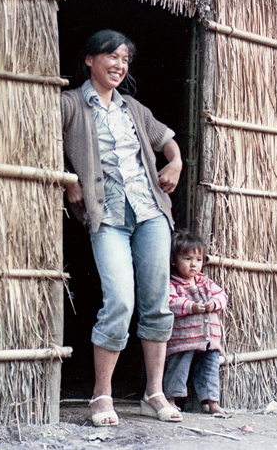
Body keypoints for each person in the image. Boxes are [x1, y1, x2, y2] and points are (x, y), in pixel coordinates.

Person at [61, 29, 184, 426]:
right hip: (108, 216)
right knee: (119, 302)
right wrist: (69, 179)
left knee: (157, 304)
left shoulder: (133, 108)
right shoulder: (69, 104)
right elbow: (43, 142)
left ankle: (154, 393)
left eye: (125, 59)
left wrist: (175, 162)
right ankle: (102, 394)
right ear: (89, 59)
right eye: (111, 56)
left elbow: (166, 139)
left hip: (150, 212)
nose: (119, 65)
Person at [163, 230, 228, 414]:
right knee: (178, 368)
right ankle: (170, 400)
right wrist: (190, 307)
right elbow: (170, 302)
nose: (193, 264)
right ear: (173, 260)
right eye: (188, 259)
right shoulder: (173, 283)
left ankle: (213, 403)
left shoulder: (205, 282)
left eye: (198, 260)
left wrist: (213, 303)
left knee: (210, 369)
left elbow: (222, 296)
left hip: (209, 339)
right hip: (184, 339)